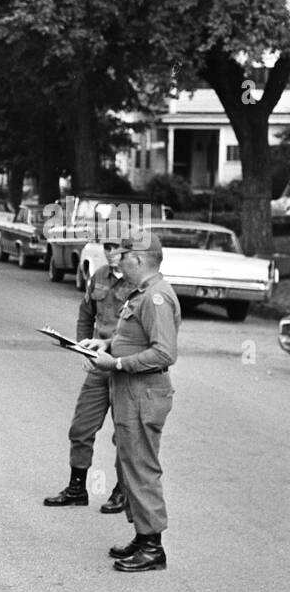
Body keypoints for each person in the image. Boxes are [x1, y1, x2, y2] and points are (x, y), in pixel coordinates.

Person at [77, 234, 180, 572]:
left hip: (143, 393)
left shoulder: (157, 297)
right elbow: (134, 339)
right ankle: (142, 534)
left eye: (124, 255)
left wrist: (117, 364)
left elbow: (164, 352)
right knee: (130, 463)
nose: (117, 260)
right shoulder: (141, 295)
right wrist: (106, 344)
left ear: (139, 260)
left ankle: (153, 547)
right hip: (131, 392)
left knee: (142, 468)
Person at [43, 240, 133, 513]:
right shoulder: (99, 276)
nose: (111, 252)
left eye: (118, 247)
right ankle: (76, 488)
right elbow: (86, 313)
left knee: (125, 434)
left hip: (125, 367)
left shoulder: (142, 283)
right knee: (81, 427)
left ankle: (123, 490)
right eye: (107, 245)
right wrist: (84, 347)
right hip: (98, 365)